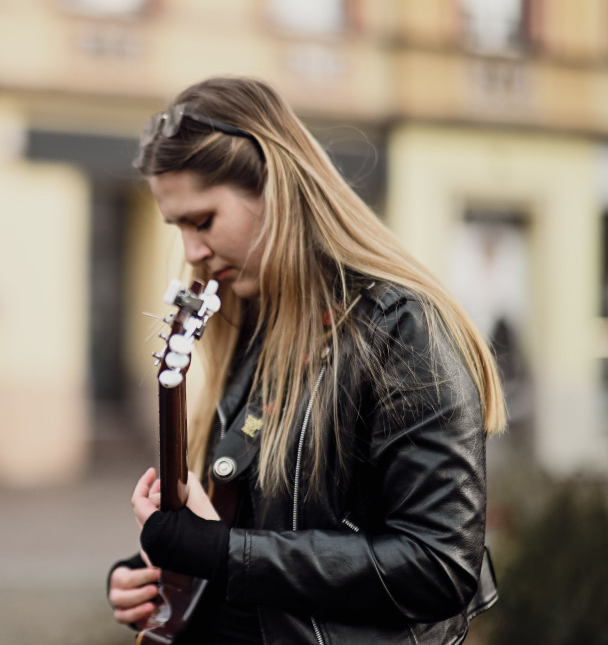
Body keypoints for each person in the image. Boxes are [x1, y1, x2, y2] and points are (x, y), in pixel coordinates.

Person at [107, 77, 506, 644]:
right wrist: (156, 578)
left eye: (203, 220)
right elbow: (263, 526)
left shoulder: (401, 327)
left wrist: (220, 552)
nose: (191, 251)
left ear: (277, 190)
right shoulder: (248, 321)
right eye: (178, 227)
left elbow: (438, 567)